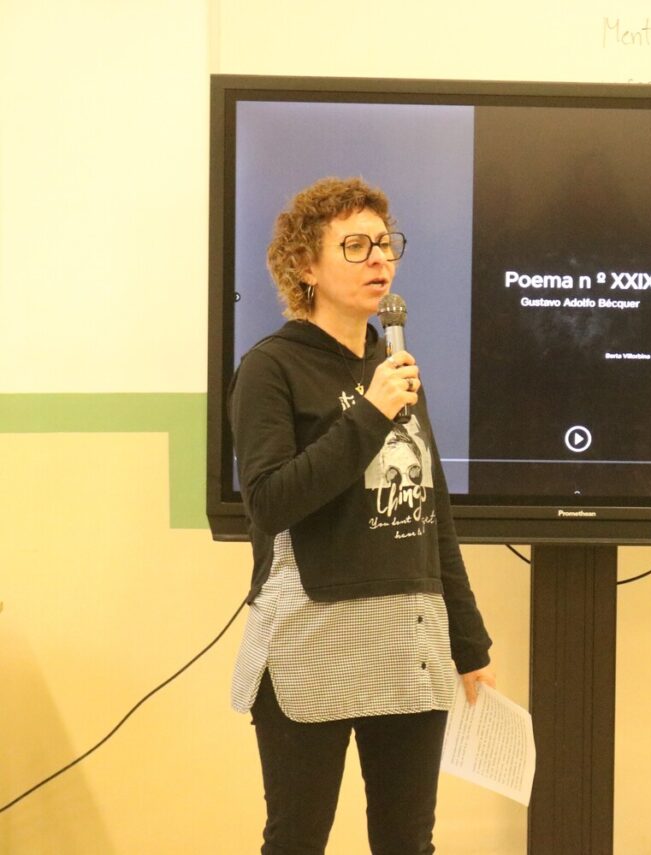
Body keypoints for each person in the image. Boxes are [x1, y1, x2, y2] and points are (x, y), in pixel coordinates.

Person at [228, 176, 495, 855]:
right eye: (355, 245)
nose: (379, 259)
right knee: (297, 840)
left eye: (385, 243)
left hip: (409, 640)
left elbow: (431, 515)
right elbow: (269, 500)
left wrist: (470, 645)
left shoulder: (393, 367)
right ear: (305, 266)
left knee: (408, 842)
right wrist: (371, 413)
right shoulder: (271, 368)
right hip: (311, 639)